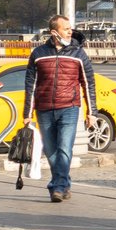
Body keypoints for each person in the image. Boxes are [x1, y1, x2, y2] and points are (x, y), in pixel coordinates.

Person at [22, 15, 96, 203]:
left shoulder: (78, 54)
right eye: (66, 29)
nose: (70, 32)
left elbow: (88, 84)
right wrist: (27, 114)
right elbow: (30, 85)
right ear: (54, 32)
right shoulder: (38, 54)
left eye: (70, 28)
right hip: (44, 109)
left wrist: (91, 112)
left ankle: (58, 186)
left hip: (69, 108)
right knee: (50, 150)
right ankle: (63, 183)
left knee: (64, 149)